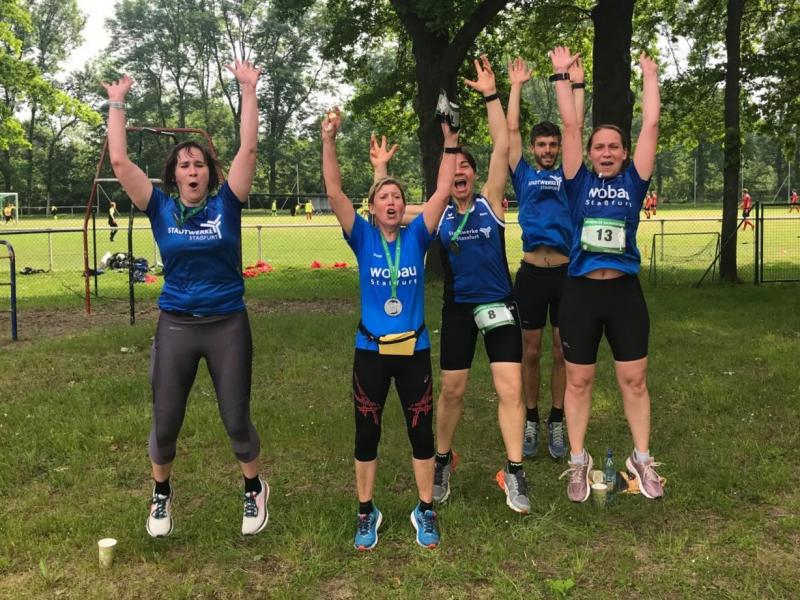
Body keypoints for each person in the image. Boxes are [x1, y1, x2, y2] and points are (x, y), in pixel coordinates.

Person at [102, 61, 269, 537]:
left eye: (199, 164)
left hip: (226, 323)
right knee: (166, 420)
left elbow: (248, 147)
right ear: (173, 175)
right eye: (184, 165)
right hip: (176, 323)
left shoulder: (227, 203)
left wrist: (249, 89)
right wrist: (117, 103)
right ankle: (161, 494)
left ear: (209, 173)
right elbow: (120, 163)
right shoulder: (159, 207)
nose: (192, 170)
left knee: (235, 417)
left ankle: (254, 488)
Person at [322, 107, 457, 550]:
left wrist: (450, 139)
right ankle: (367, 511)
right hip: (371, 351)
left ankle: (425, 509)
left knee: (421, 433)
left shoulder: (418, 236)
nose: (392, 202)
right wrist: (329, 140)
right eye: (384, 197)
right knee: (367, 433)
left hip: (414, 350)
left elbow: (442, 190)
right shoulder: (362, 237)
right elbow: (334, 191)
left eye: (398, 196)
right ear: (373, 207)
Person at [401, 56, 529, 513]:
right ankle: (442, 460)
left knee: (510, 389)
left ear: (474, 175)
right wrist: (381, 172)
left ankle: (514, 471)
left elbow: (503, 144)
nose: (460, 174)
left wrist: (493, 93)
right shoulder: (436, 216)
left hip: (499, 305)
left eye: (466, 169)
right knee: (452, 390)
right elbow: (387, 210)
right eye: (453, 169)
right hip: (458, 309)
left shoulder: (490, 202)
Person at [551, 46, 664, 502]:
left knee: (634, 380)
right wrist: (562, 76)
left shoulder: (633, 183)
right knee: (578, 381)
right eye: (599, 146)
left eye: (614, 146)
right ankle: (579, 460)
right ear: (590, 153)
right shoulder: (577, 182)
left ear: (623, 153)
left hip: (624, 295)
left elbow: (651, 125)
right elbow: (570, 126)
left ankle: (642, 458)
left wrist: (650, 75)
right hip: (581, 293)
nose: (606, 152)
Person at [507, 56, 584, 461]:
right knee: (531, 350)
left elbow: (576, 128)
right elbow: (511, 130)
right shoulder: (523, 174)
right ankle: (532, 418)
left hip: (566, 273)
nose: (549, 150)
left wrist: (576, 85)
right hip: (532, 275)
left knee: (561, 350)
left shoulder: (570, 176)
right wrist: (516, 86)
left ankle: (557, 419)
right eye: (542, 144)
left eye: (553, 144)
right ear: (534, 148)